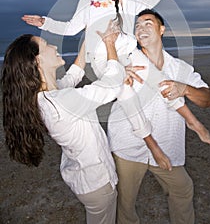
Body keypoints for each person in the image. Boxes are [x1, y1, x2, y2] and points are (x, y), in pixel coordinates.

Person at [21, 0, 184, 170]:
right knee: (126, 92)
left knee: (158, 77)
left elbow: (149, 2)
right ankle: (151, 143)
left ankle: (186, 115)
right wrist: (45, 22)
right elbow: (70, 28)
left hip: (126, 52)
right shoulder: (86, 0)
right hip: (102, 60)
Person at [1, 21, 126, 224]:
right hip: (97, 183)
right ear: (38, 61)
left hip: (82, 177)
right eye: (47, 45)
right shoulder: (62, 102)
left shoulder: (45, 96)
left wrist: (88, 37)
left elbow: (73, 75)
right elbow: (113, 84)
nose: (55, 47)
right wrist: (110, 44)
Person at [107, 9, 210, 224]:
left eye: (148, 23)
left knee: (183, 190)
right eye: (137, 25)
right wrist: (118, 72)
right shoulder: (125, 62)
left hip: (166, 145)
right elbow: (105, 87)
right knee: (125, 204)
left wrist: (184, 89)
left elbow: (207, 99)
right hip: (127, 145)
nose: (141, 28)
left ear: (161, 30)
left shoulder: (180, 68)